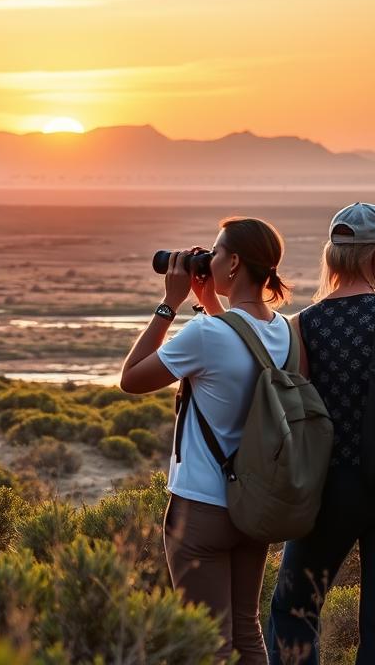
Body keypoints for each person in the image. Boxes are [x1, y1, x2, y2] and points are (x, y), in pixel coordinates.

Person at [267, 202, 375, 665]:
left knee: (294, 612)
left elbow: (300, 413)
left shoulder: (301, 326)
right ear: (374, 258)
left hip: (331, 492)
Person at [120, 216, 293, 664]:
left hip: (201, 507)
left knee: (206, 643)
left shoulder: (205, 334)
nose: (207, 259)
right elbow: (244, 354)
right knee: (247, 631)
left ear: (233, 263)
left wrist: (169, 304)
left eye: (214, 253)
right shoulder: (287, 332)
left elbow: (131, 379)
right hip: (255, 504)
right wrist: (211, 302)